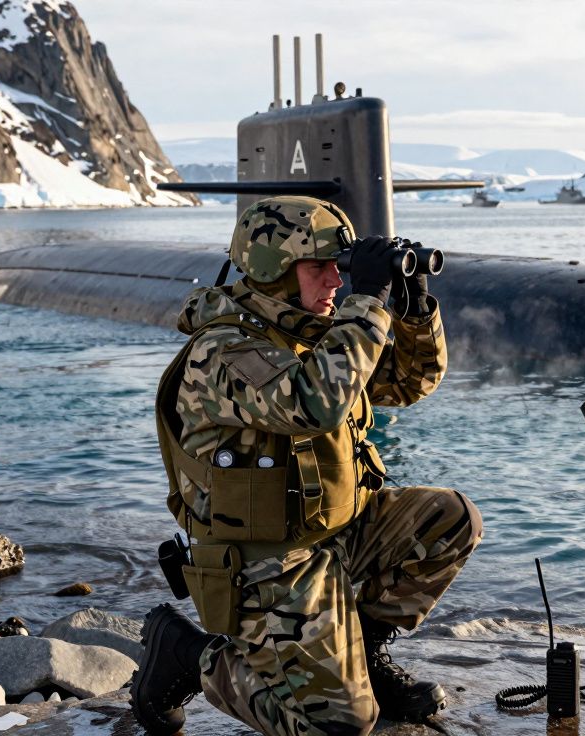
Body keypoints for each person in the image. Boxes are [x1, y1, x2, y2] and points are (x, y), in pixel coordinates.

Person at [131, 195, 484, 736]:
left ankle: (363, 652)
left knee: (452, 519)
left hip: (335, 533)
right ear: (273, 270)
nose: (337, 281)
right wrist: (368, 302)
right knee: (340, 727)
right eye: (319, 266)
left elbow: (407, 384)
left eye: (340, 267)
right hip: (268, 564)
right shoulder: (224, 348)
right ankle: (190, 655)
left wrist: (413, 308)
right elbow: (314, 403)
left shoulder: (310, 330)